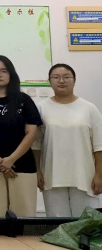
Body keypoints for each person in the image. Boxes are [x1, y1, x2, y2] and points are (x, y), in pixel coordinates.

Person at [0, 55, 41, 217]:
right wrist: (0, 161)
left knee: (24, 216)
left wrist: (11, 159)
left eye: (4, 71)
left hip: (22, 165)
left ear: (11, 74)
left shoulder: (24, 100)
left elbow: (32, 133)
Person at [33, 63, 102, 217]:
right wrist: (38, 172)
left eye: (66, 77)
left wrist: (99, 175)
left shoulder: (89, 108)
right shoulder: (41, 108)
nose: (61, 81)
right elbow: (36, 145)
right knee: (58, 224)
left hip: (84, 176)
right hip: (52, 175)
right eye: (56, 77)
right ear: (49, 81)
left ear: (74, 80)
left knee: (86, 222)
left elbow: (99, 146)